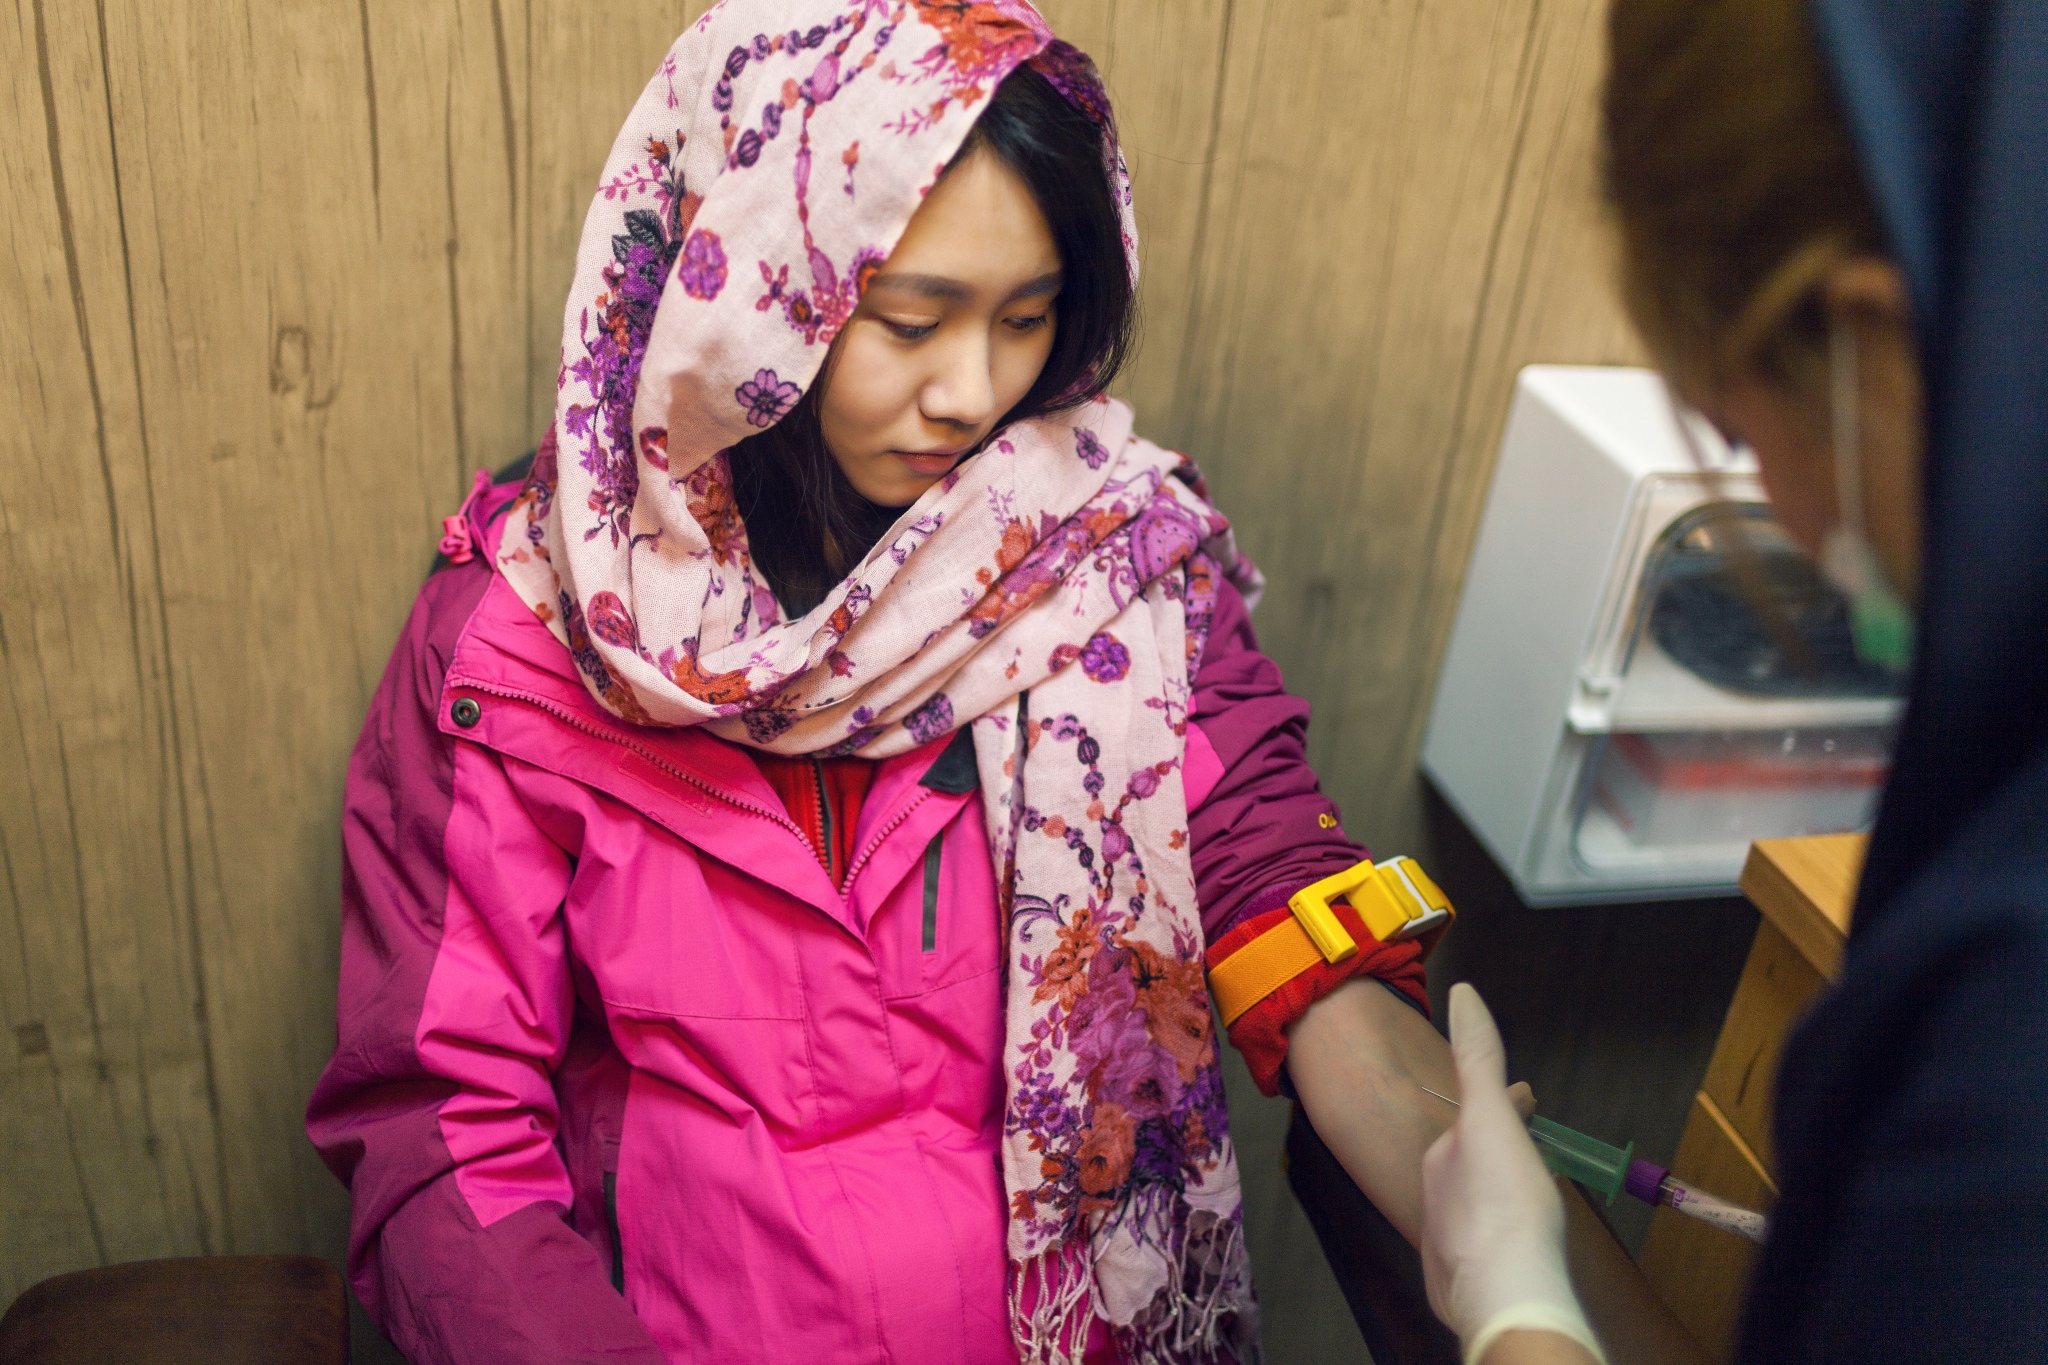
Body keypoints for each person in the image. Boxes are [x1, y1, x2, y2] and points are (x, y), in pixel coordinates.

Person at [304, 3, 1613, 1361]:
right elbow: (446, 1129)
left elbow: (1264, 874)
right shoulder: (527, 638)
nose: (972, 393)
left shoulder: (1105, 556)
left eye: (1026, 317)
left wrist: (1470, 1210)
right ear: (743, 292)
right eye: (910, 320)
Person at [1419, 1, 2048, 1361]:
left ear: (1867, 336)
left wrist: (1516, 1308)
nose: (1787, 523)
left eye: (1742, 433)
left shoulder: (2009, 1044)